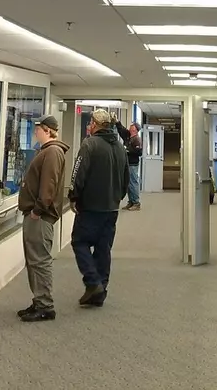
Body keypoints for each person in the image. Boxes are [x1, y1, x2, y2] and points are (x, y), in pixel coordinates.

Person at [69, 109, 129, 308]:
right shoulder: (120, 147)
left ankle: (93, 283)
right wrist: (116, 198)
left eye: (89, 123)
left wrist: (73, 196)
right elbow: (126, 178)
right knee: (104, 248)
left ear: (95, 124)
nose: (88, 126)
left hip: (91, 206)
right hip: (111, 207)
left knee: (79, 242)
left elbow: (78, 173)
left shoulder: (89, 144)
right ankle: (100, 290)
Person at [16, 116, 70, 323]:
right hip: (36, 214)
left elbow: (49, 185)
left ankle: (45, 305)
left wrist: (38, 210)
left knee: (40, 260)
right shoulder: (47, 151)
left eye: (37, 129)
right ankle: (39, 300)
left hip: (40, 216)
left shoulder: (53, 152)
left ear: (47, 131)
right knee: (34, 260)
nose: (35, 133)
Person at [118, 122, 143, 211]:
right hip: (127, 163)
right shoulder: (129, 137)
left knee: (133, 183)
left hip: (133, 164)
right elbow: (122, 131)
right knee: (128, 184)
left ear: (134, 129)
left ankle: (136, 203)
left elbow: (139, 152)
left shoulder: (137, 139)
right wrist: (117, 123)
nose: (129, 127)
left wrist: (127, 150)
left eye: (131, 126)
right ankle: (131, 202)